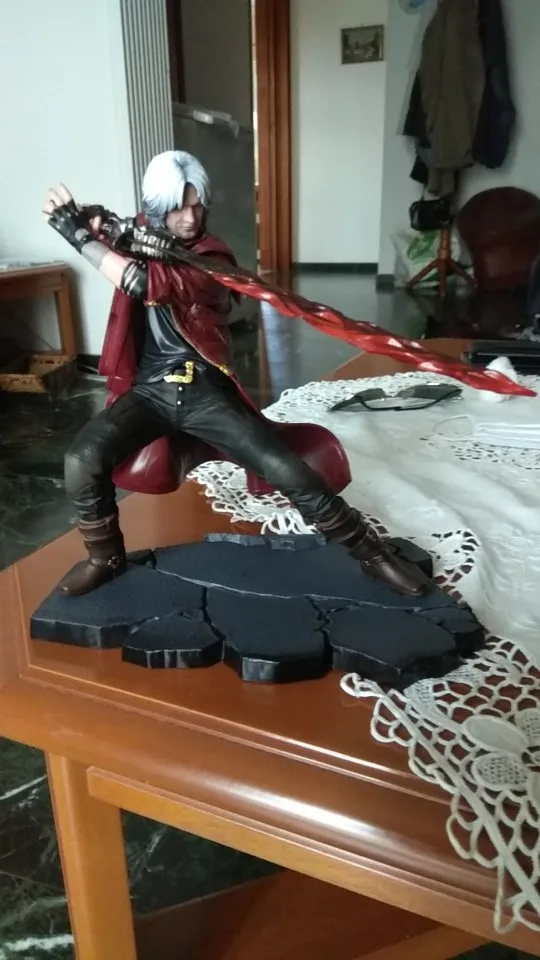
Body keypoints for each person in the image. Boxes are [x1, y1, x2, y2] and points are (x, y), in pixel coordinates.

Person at [43, 150, 428, 598]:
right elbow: (118, 232)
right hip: (151, 391)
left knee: (287, 468)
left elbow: (145, 283)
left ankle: (373, 555)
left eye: (196, 205)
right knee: (82, 459)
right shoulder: (141, 234)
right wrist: (86, 217)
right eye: (178, 207)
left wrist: (79, 237)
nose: (190, 217)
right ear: (156, 208)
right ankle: (104, 557)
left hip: (204, 391)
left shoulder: (211, 257)